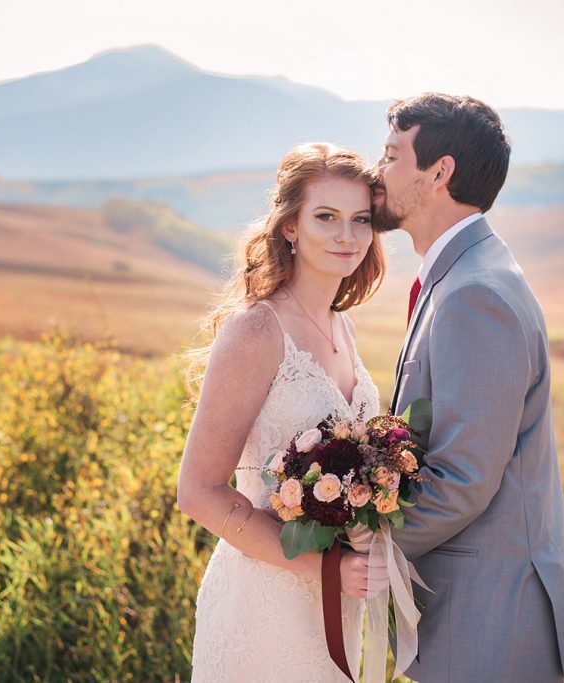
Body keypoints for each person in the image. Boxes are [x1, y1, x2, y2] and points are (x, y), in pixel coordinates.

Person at [372, 92, 564, 682]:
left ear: (439, 172)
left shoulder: (476, 295)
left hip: (490, 619)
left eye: (392, 155)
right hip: (484, 610)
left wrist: (367, 551)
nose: (379, 171)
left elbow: (463, 481)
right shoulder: (467, 272)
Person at [177, 142, 387, 682]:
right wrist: (326, 569)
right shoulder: (258, 330)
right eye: (326, 217)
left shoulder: (345, 328)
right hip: (263, 604)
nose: (347, 235)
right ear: (290, 226)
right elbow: (199, 491)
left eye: (361, 219)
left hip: (337, 606)